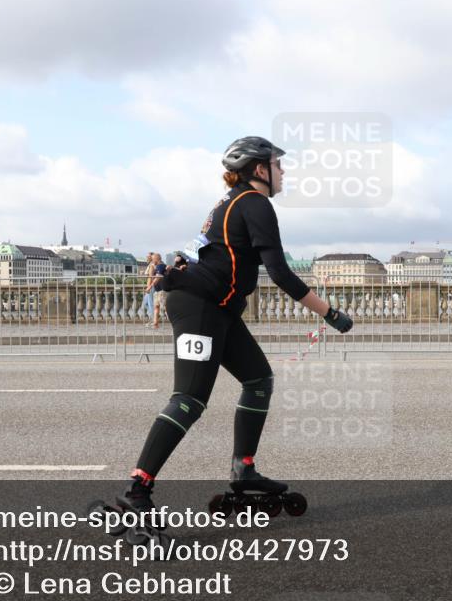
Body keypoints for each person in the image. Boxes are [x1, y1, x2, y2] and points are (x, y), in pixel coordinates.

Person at [118, 136, 353, 518]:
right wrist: (330, 313)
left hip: (218, 308)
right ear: (259, 169)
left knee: (259, 380)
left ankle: (243, 470)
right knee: (189, 399)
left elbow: (198, 250)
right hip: (199, 307)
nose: (283, 172)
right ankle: (137, 489)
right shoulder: (255, 203)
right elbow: (279, 273)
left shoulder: (227, 203)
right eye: (278, 165)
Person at [151, 253, 167, 329]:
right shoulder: (157, 267)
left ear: (156, 259)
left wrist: (149, 287)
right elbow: (153, 277)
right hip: (157, 290)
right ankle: (155, 324)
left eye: (152, 259)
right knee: (156, 307)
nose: (152, 261)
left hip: (162, 290)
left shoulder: (161, 266)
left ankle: (175, 323)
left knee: (165, 308)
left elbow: (158, 277)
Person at [139, 253, 155, 322]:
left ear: (151, 257)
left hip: (150, 286)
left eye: (148, 256)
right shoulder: (150, 265)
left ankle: (153, 320)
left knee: (150, 304)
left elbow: (151, 277)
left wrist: (149, 287)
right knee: (145, 304)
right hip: (150, 286)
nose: (146, 258)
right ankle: (154, 316)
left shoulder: (152, 265)